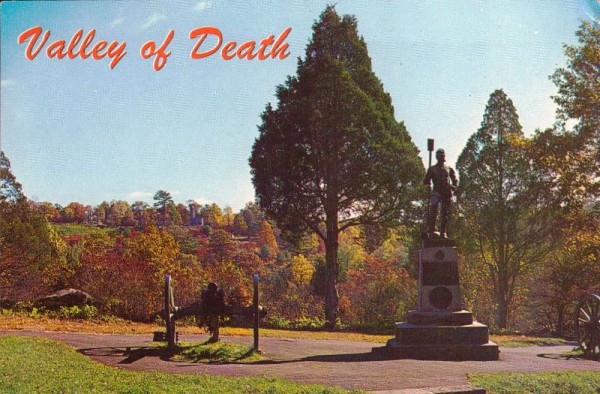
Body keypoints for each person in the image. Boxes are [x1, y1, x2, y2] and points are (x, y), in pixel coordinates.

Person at [423, 149, 457, 239]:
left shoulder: (448, 168)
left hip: (446, 193)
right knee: (433, 211)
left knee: (444, 213)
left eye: (443, 155)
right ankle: (432, 230)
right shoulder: (432, 169)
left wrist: (453, 186)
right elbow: (426, 181)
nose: (442, 157)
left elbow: (454, 179)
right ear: (437, 157)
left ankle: (443, 232)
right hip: (436, 192)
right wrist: (427, 181)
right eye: (440, 155)